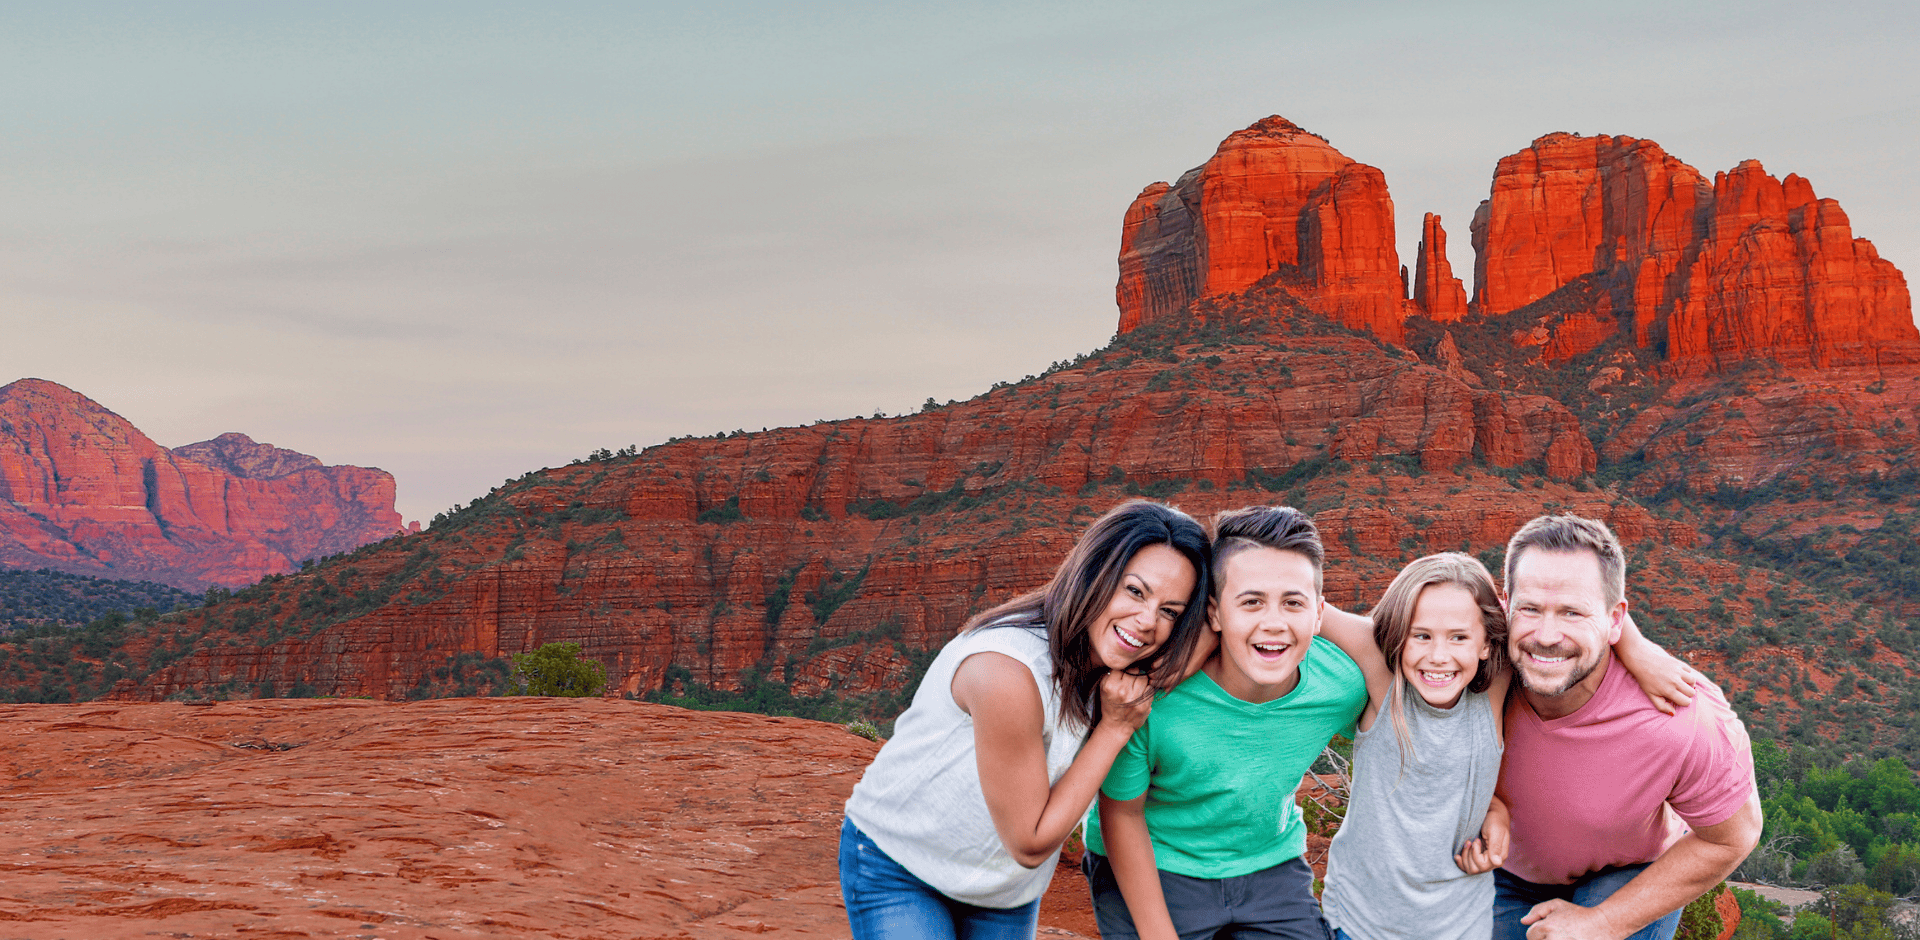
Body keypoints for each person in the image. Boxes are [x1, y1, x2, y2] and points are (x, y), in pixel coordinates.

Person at [839, 499, 1212, 940]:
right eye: (1134, 591)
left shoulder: (1127, 665)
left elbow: (1223, 623)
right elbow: (1030, 842)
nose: (1148, 622)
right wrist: (1114, 728)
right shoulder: (1007, 671)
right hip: (903, 864)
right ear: (1095, 573)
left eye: (1171, 611)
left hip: (1005, 893)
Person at [1318, 553, 1693, 940]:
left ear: (1485, 643)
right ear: (1397, 636)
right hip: (1361, 922)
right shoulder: (1386, 680)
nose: (1439, 656)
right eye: (1420, 635)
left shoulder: (1493, 685)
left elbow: (1575, 611)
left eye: (1459, 637)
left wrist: (1638, 650)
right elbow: (1308, 607)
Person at [1083, 505, 1364, 940]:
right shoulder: (1150, 695)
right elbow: (1121, 813)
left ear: (1319, 613)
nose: (1273, 624)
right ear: (1214, 614)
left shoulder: (1340, 685)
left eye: (1293, 603)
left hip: (1268, 862)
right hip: (1156, 862)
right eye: (1251, 602)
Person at [1494, 514, 1762, 940]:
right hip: (1501, 872)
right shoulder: (1470, 666)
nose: (1545, 635)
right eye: (1530, 609)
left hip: (1625, 874)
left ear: (1615, 620)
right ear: (1505, 605)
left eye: (1572, 612)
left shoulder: (1680, 716)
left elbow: (1733, 837)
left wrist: (1602, 922)